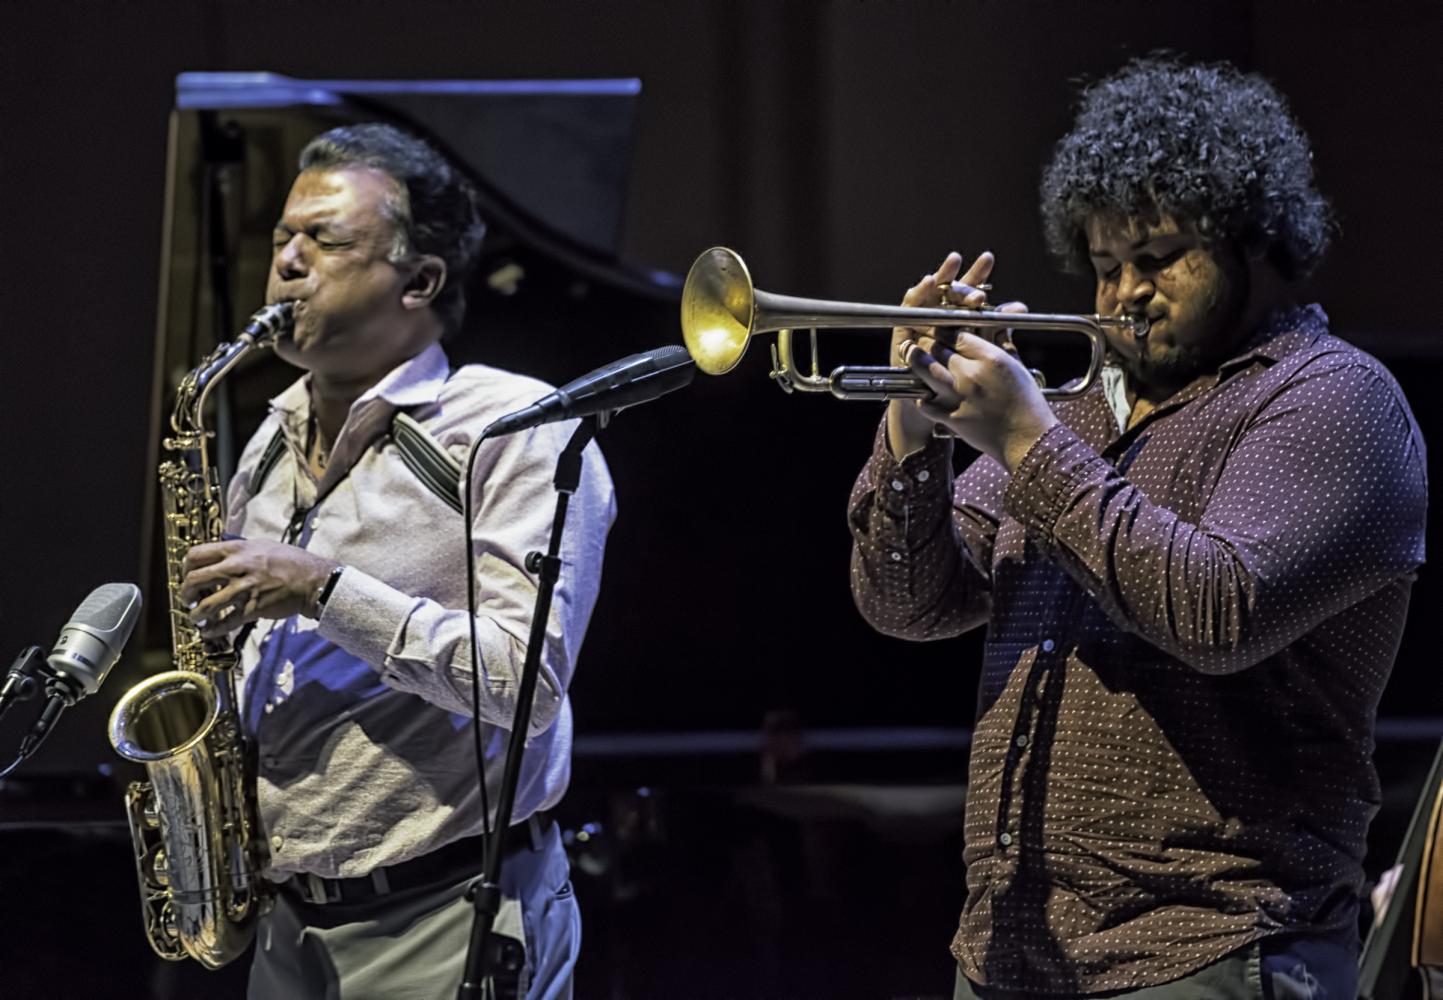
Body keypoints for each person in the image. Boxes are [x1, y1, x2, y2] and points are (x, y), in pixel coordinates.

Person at [848, 56, 1427, 998]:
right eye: (1106, 265)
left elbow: (1216, 611)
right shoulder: (1080, 413)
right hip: (1007, 957)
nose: (1122, 295)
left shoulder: (1333, 401)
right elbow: (907, 606)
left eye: (1157, 258)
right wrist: (914, 430)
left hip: (1209, 950)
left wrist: (1025, 441)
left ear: (1253, 239)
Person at [177, 123, 615, 999]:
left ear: (419, 281)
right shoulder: (265, 440)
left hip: (448, 909)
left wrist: (318, 589)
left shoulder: (512, 426)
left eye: (326, 241)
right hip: (286, 922)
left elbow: (521, 683)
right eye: (282, 241)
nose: (288, 264)